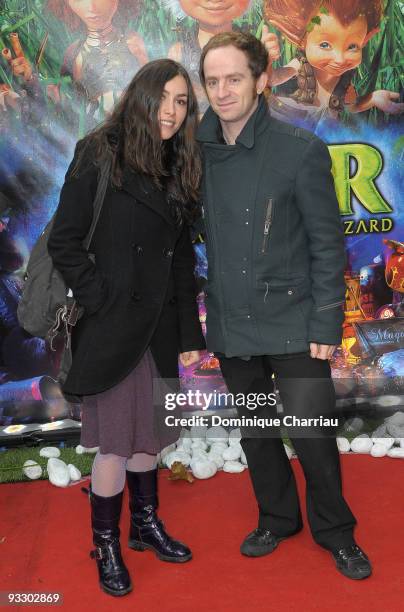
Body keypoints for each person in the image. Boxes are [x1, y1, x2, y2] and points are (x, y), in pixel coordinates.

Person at [197, 31, 372, 579]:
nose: (223, 91)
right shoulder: (192, 155)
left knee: (314, 436)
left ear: (261, 79)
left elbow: (327, 243)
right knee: (257, 434)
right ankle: (276, 517)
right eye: (213, 80)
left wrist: (326, 320)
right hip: (232, 322)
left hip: (296, 323)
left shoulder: (300, 149)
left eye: (234, 78)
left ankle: (336, 532)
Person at [47, 59, 205, 597]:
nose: (171, 110)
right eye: (163, 97)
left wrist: (189, 338)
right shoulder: (100, 151)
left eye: (182, 101)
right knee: (115, 445)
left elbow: (182, 261)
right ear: (140, 95)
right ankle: (107, 544)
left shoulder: (178, 164)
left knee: (151, 439)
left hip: (159, 332)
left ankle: (145, 524)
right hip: (114, 330)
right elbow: (64, 240)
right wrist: (101, 301)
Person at [264, 0, 403, 128]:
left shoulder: (345, 80)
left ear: (365, 40)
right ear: (302, 40)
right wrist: (267, 61)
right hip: (295, 120)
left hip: (326, 131)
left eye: (352, 47)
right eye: (325, 45)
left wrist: (373, 98)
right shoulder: (301, 65)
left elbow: (351, 106)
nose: (340, 59)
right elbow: (272, 80)